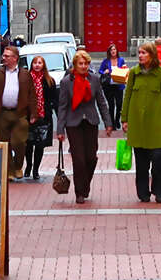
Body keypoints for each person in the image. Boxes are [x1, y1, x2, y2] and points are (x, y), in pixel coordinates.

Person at [122, 40, 161, 204]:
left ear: (152, 55)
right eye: (139, 52)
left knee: (158, 159)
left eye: (144, 53)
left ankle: (159, 191)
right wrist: (124, 119)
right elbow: (127, 96)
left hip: (156, 124)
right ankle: (143, 193)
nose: (140, 56)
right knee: (141, 163)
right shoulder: (134, 73)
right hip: (138, 124)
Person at [0, 44, 44, 182]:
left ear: (15, 58)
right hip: (1, 113)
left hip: (20, 113)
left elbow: (32, 95)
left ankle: (18, 165)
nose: (3, 58)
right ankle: (10, 171)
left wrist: (34, 113)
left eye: (7, 56)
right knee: (5, 144)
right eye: (3, 55)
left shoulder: (25, 74)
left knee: (19, 142)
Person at [56, 51, 105, 204]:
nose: (83, 66)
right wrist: (60, 129)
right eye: (80, 64)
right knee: (79, 160)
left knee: (91, 157)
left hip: (90, 121)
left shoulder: (94, 79)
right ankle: (80, 192)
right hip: (73, 123)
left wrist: (108, 123)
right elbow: (62, 106)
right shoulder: (66, 82)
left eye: (86, 64)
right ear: (75, 65)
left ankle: (85, 185)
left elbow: (101, 102)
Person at [23, 56, 58, 182]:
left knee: (40, 145)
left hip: (43, 117)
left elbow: (54, 99)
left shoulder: (49, 80)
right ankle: (28, 165)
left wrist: (56, 113)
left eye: (40, 63)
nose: (37, 65)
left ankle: (36, 170)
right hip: (28, 116)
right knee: (28, 144)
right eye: (35, 63)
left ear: (44, 65)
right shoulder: (26, 79)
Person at [97, 45, 128, 135]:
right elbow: (100, 70)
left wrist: (124, 68)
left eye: (114, 49)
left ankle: (117, 119)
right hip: (109, 86)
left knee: (119, 104)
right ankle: (112, 124)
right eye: (111, 50)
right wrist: (104, 72)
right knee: (111, 105)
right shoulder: (106, 61)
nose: (113, 51)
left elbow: (124, 69)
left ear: (117, 51)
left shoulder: (121, 60)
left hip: (119, 85)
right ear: (109, 52)